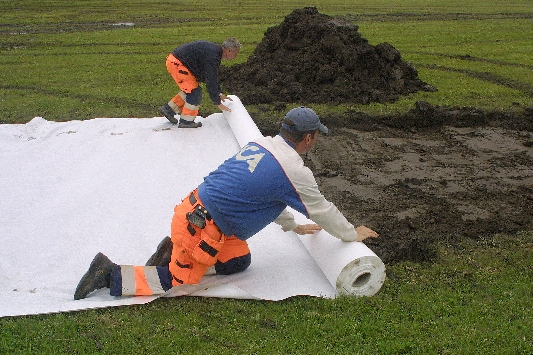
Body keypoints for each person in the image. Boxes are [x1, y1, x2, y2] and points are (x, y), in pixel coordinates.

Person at [74, 107, 380, 300]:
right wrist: (351, 235)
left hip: (203, 213)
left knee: (238, 263)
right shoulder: (293, 170)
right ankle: (109, 273)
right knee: (175, 283)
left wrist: (294, 226)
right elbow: (323, 209)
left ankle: (173, 250)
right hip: (200, 227)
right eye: (317, 137)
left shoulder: (261, 144)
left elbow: (262, 197)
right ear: (309, 138)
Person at [159, 37, 241, 128]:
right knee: (195, 92)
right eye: (235, 53)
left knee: (190, 89)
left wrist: (218, 93)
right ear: (229, 51)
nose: (236, 56)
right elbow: (210, 80)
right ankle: (186, 122)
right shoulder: (213, 56)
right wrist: (218, 102)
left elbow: (212, 77)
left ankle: (168, 109)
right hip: (178, 65)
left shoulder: (214, 53)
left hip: (176, 62)